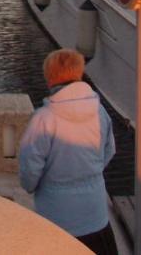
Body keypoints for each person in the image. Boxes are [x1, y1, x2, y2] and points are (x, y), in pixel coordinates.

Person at [19, 49, 118, 254]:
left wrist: (32, 186)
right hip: (95, 213)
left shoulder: (44, 119)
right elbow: (109, 150)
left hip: (56, 214)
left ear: (50, 77)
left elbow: (30, 169)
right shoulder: (99, 111)